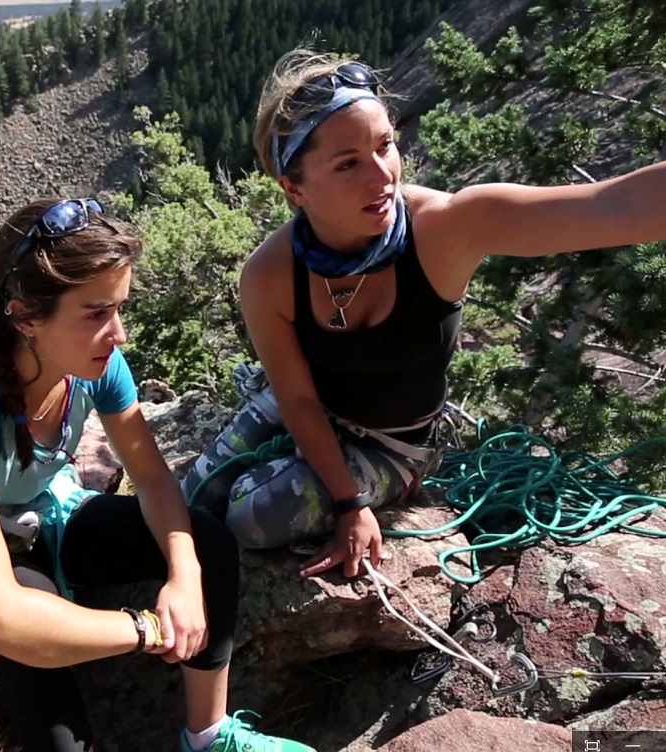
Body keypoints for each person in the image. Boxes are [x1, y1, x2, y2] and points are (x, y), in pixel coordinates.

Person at [182, 47, 666, 581]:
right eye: (347, 164)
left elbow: (608, 207)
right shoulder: (270, 274)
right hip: (311, 408)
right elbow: (296, 398)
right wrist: (347, 500)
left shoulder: (443, 231)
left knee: (251, 515)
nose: (381, 175)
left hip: (394, 446)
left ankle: (403, 483)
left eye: (385, 146)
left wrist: (353, 507)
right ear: (294, 188)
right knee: (194, 500)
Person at [0, 197, 315, 752]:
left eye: (119, 308)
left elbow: (151, 479)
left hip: (45, 513)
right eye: (96, 313)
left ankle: (210, 734)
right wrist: (148, 628)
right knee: (30, 619)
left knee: (207, 539)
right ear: (25, 317)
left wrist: (185, 574)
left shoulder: (96, 365)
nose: (118, 334)